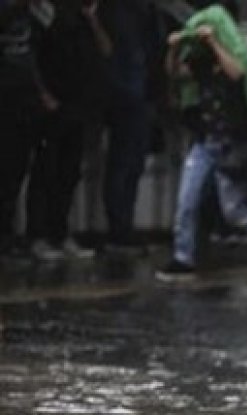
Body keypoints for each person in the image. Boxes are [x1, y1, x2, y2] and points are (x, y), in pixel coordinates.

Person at [155, 0, 247, 282]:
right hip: (206, 141)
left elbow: (236, 73)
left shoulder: (231, 58)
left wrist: (214, 42)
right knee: (187, 200)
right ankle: (183, 257)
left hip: (231, 144)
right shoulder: (200, 63)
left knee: (234, 210)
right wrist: (175, 48)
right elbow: (175, 73)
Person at [26, 0, 112, 261]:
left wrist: (92, 19)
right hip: (54, 101)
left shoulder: (83, 16)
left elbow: (106, 50)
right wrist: (43, 93)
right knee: (46, 171)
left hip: (79, 102)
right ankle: (38, 235)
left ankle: (60, 233)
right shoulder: (48, 12)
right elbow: (33, 53)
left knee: (69, 173)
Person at [100, 0, 163, 252]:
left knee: (131, 164)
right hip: (128, 94)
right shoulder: (124, 11)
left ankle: (123, 227)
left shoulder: (140, 10)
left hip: (137, 92)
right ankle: (119, 229)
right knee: (124, 164)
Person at [0, 0, 49, 259]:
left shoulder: (34, 16)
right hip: (5, 98)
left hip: (27, 98)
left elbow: (39, 54)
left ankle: (9, 235)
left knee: (17, 170)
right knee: (6, 172)